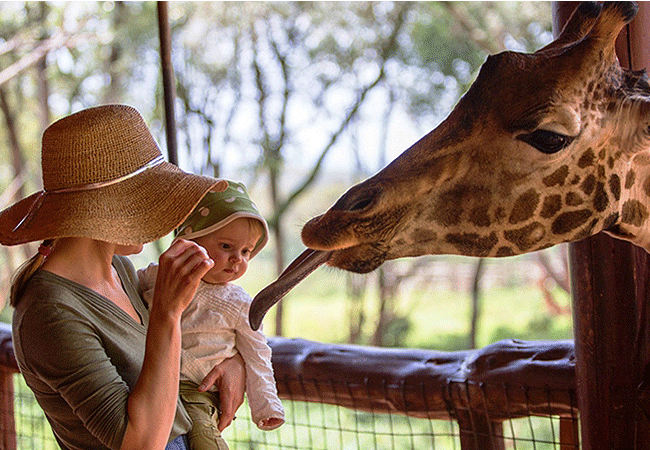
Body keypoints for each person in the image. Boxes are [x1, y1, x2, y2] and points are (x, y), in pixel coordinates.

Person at [0, 104, 247, 450]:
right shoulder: (50, 312)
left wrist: (234, 361)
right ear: (106, 210)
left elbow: (170, 358)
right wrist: (167, 312)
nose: (158, 212)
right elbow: (142, 443)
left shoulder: (121, 271)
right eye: (146, 199)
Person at [139, 181, 285, 450]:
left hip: (198, 391)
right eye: (227, 246)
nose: (237, 259)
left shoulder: (239, 303)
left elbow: (257, 353)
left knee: (204, 439)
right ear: (191, 242)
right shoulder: (157, 276)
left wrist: (267, 405)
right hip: (149, 382)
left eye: (246, 251)